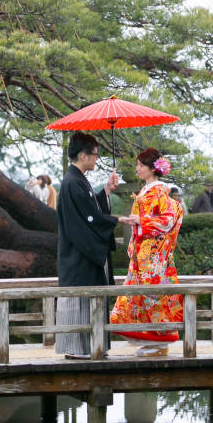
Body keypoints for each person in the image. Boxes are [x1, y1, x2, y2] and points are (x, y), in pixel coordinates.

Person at [55, 132, 138, 359]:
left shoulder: (77, 180)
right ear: (83, 156)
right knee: (83, 300)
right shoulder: (73, 182)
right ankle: (80, 348)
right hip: (78, 257)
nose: (96, 159)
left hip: (82, 254)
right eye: (94, 155)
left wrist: (107, 191)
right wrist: (117, 220)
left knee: (89, 299)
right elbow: (89, 217)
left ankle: (92, 347)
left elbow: (91, 210)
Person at [110, 148, 183, 356]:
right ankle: (154, 341)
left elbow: (167, 220)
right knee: (144, 297)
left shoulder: (159, 191)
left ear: (153, 168)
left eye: (142, 165)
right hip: (144, 256)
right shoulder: (147, 190)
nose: (137, 168)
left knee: (153, 298)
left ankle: (159, 341)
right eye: (138, 164)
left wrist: (142, 221)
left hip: (153, 259)